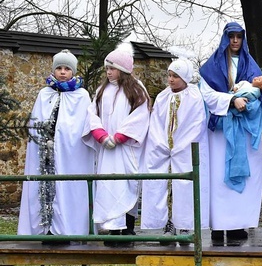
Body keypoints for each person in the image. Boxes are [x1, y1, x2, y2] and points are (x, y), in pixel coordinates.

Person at [199, 22, 262, 245]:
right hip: (221, 130)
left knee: (245, 175)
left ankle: (238, 223)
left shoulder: (251, 65)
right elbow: (206, 94)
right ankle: (219, 225)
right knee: (219, 175)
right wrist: (230, 100)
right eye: (231, 36)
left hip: (244, 129)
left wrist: (248, 102)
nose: (235, 41)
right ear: (225, 38)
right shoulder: (211, 66)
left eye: (239, 36)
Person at [18, 50, 95, 242]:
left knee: (68, 187)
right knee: (44, 188)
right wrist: (43, 139)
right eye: (59, 68)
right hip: (45, 152)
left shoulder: (82, 96)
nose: (62, 72)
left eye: (67, 69)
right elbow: (35, 123)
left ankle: (68, 228)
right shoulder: (44, 94)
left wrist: (64, 138)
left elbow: (82, 126)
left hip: (71, 153)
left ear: (73, 71)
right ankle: (45, 230)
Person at [83, 43, 151, 246]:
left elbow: (140, 116)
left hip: (126, 149)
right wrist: (101, 135)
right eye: (107, 69)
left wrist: (120, 136)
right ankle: (112, 230)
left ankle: (127, 228)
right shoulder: (102, 90)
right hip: (107, 149)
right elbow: (92, 114)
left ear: (122, 70)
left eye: (112, 68)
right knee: (109, 186)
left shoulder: (136, 90)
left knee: (127, 185)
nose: (108, 72)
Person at [141, 59, 210, 242]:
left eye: (175, 76)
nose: (171, 80)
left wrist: (181, 145)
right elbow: (155, 122)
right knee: (163, 184)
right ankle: (167, 223)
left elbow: (197, 124)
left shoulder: (194, 97)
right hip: (163, 149)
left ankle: (185, 225)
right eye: (169, 75)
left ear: (185, 78)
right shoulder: (163, 97)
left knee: (185, 186)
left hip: (185, 149)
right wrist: (161, 143)